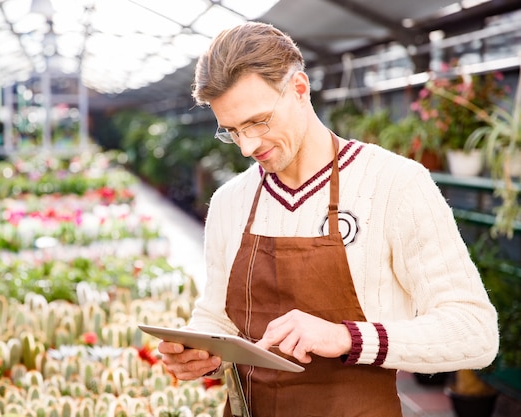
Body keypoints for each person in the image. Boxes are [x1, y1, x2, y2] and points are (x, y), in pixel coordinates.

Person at [157, 21, 499, 416]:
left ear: (299, 90)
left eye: (258, 122)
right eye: (231, 131)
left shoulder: (395, 184)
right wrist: (200, 349)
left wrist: (347, 338)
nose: (247, 146)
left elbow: (475, 331)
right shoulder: (229, 202)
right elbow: (217, 314)